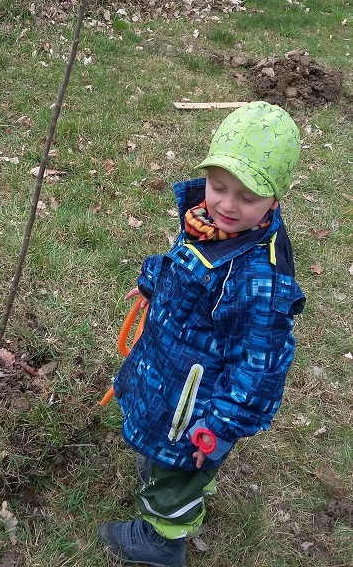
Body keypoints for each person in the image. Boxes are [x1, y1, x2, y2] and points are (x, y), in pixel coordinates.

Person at [98, 101, 306, 567]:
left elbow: (259, 368)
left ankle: (160, 541)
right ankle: (173, 475)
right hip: (170, 366)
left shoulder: (258, 282)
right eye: (219, 186)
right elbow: (184, 262)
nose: (227, 205)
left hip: (195, 404)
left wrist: (219, 425)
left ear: (275, 200)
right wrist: (154, 280)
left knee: (175, 471)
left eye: (247, 197)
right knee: (164, 453)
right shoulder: (210, 225)